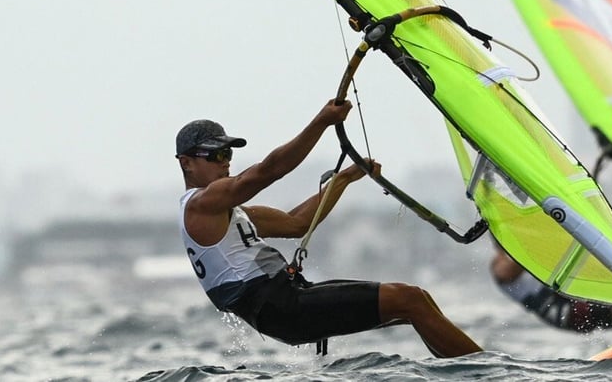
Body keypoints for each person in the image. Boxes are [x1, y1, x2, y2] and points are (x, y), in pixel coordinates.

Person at [175, 100, 482, 358]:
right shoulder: (200, 205)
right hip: (280, 308)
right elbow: (268, 171)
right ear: (187, 163)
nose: (225, 162)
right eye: (215, 155)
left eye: (227, 154)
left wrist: (343, 180)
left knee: (417, 302)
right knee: (409, 300)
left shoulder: (225, 212)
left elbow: (298, 224)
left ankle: (467, 371)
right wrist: (321, 122)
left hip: (287, 300)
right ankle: (486, 373)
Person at [491, 247, 612, 332]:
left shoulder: (532, 251)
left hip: (575, 299)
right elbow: (506, 273)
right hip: (563, 312)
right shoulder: (500, 264)